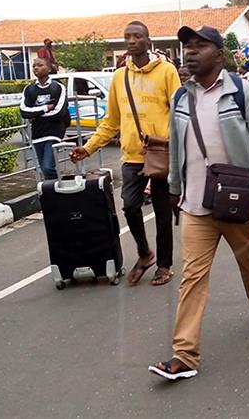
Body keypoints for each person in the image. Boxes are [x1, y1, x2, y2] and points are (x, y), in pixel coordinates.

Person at [147, 25, 249, 381]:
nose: (190, 52)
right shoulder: (181, 98)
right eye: (187, 47)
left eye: (199, 46)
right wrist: (174, 188)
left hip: (240, 200)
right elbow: (176, 148)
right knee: (192, 276)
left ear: (218, 54)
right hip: (195, 204)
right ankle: (184, 355)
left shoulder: (242, 92)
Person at [71, 21, 180, 286]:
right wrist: (88, 147)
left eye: (137, 36)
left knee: (163, 213)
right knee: (130, 206)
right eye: (127, 37)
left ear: (148, 39)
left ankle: (164, 265)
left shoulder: (166, 72)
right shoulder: (120, 77)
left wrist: (181, 152)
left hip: (162, 154)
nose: (132, 41)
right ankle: (145, 253)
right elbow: (111, 121)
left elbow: (180, 114)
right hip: (133, 156)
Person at [19, 57, 69, 180]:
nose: (36, 68)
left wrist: (35, 115)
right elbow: (24, 111)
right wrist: (45, 108)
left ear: (48, 68)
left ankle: (59, 188)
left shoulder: (58, 87)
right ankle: (54, 190)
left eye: (40, 65)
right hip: (37, 133)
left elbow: (59, 112)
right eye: (34, 66)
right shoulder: (29, 89)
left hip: (54, 132)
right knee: (43, 168)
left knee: (48, 167)